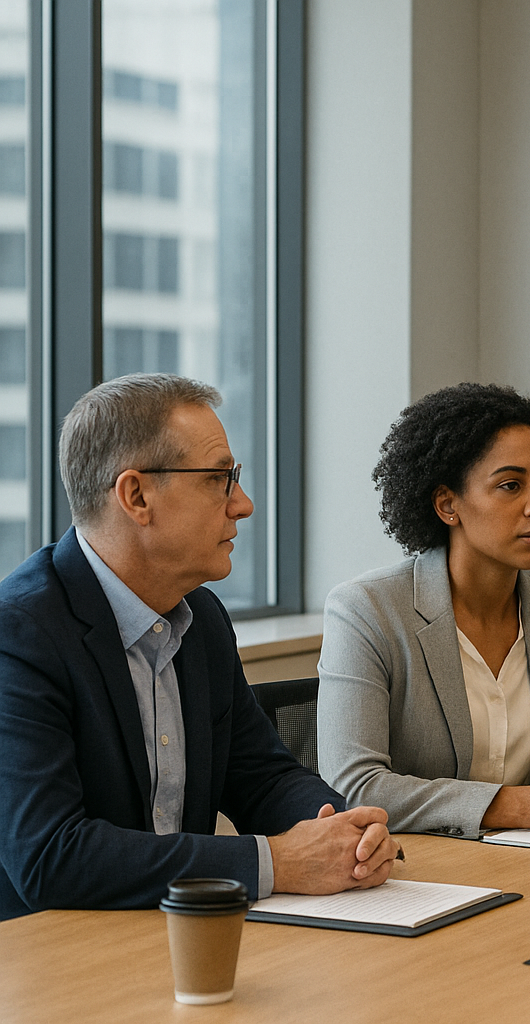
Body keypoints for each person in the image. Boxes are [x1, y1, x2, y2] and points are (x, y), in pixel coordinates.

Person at [0, 374, 400, 922]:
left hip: (178, 936)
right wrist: (276, 862)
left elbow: (262, 777)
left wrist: (343, 828)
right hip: (54, 962)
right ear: (136, 495)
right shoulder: (20, 633)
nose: (244, 504)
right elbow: (50, 857)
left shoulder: (202, 616)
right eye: (219, 479)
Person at [317, 382, 530, 836]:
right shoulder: (366, 610)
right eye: (510, 485)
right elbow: (356, 788)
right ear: (447, 504)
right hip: (419, 877)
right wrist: (523, 806)